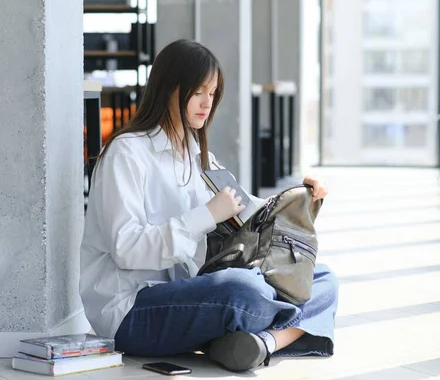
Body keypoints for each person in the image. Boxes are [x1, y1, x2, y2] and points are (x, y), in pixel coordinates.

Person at [79, 39, 338, 372]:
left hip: (186, 294)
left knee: (321, 277)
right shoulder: (127, 154)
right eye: (198, 92)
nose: (206, 103)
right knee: (242, 290)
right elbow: (127, 249)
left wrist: (300, 197)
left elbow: (250, 213)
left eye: (212, 93)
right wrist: (206, 216)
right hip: (130, 310)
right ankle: (246, 332)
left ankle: (261, 343)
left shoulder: (194, 153)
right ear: (169, 89)